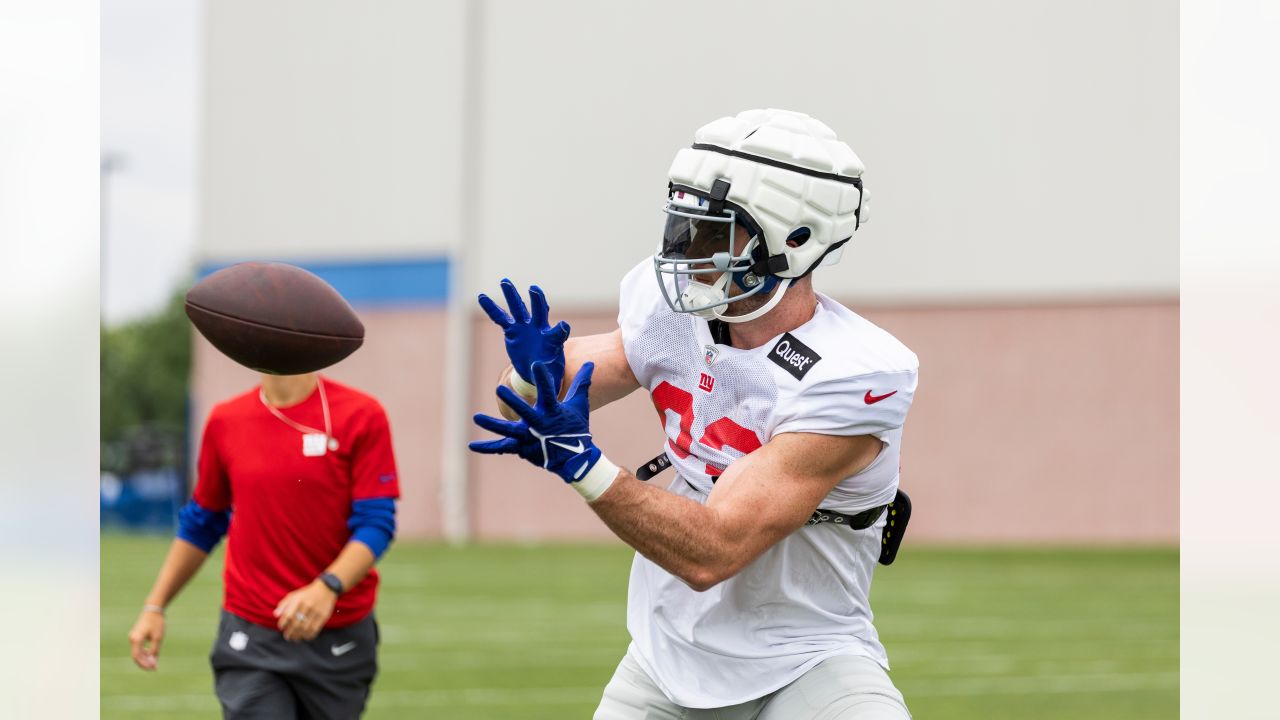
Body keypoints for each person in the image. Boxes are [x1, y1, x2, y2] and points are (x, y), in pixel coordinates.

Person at [471, 108, 918, 718]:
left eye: (714, 233)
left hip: (806, 658)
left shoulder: (852, 374)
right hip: (667, 655)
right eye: (684, 225)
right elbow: (518, 401)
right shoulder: (672, 312)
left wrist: (583, 465)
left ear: (795, 240)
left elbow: (714, 552)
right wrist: (532, 379)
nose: (687, 250)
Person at [128, 371, 400, 720]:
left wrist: (327, 588)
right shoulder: (225, 420)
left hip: (340, 635)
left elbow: (376, 522)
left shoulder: (361, 414)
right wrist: (155, 606)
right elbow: (203, 522)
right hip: (250, 635)